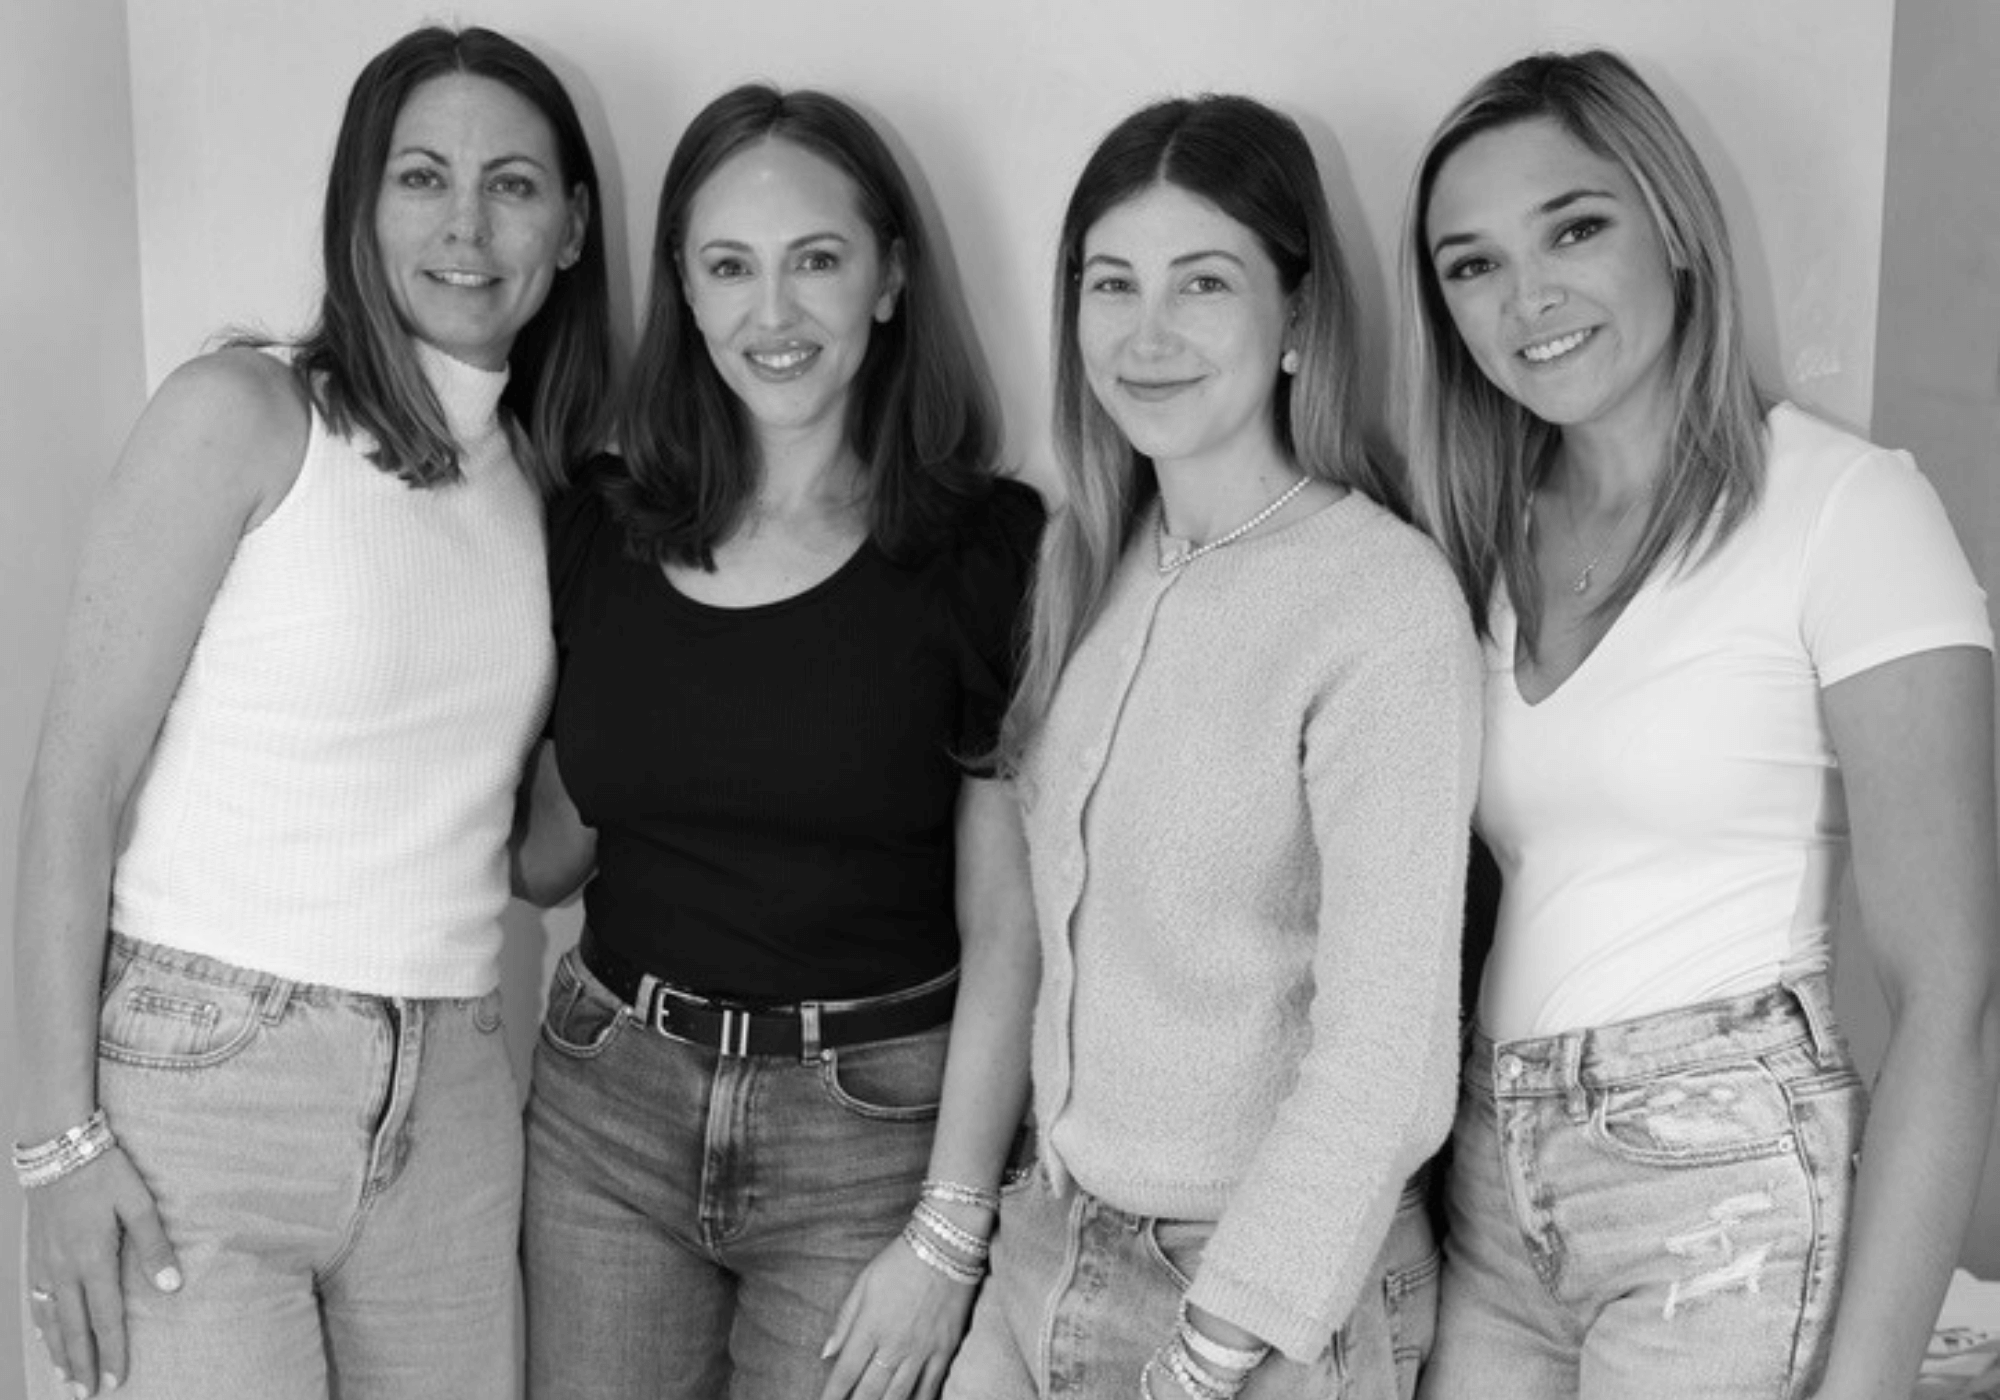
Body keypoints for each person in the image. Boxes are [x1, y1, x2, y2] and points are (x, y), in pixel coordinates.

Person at [10, 25, 611, 1400]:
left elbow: (534, 859)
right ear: (361, 204)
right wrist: (53, 1149)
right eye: (422, 177)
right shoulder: (246, 414)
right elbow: (71, 789)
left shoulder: (546, 494)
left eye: (514, 185)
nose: (467, 226)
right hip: (206, 1084)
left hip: (455, 1097)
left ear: (573, 228)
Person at [1402, 49, 2000, 1400]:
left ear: (1674, 229)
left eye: (1574, 229)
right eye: (1473, 264)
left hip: (1723, 1193)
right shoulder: (1479, 535)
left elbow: (1952, 999)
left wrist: (1866, 1382)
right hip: (1493, 1181)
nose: (1528, 298)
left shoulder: (1847, 510)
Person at [943, 95, 1481, 1400]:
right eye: (1111, 284)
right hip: (1051, 1240)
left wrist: (1212, 1351)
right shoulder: (1093, 558)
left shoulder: (1379, 599)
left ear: (1297, 316)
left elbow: (1390, 1058)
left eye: (1203, 282)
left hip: (1262, 1300)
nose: (1148, 334)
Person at [513, 83, 1044, 1400]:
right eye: (729, 267)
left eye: (816, 260)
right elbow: (546, 854)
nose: (773, 313)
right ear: (684, 291)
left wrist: (951, 1227)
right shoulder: (597, 527)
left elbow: (1009, 929)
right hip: (605, 1105)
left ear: (889, 278)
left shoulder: (985, 552)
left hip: (869, 1137)